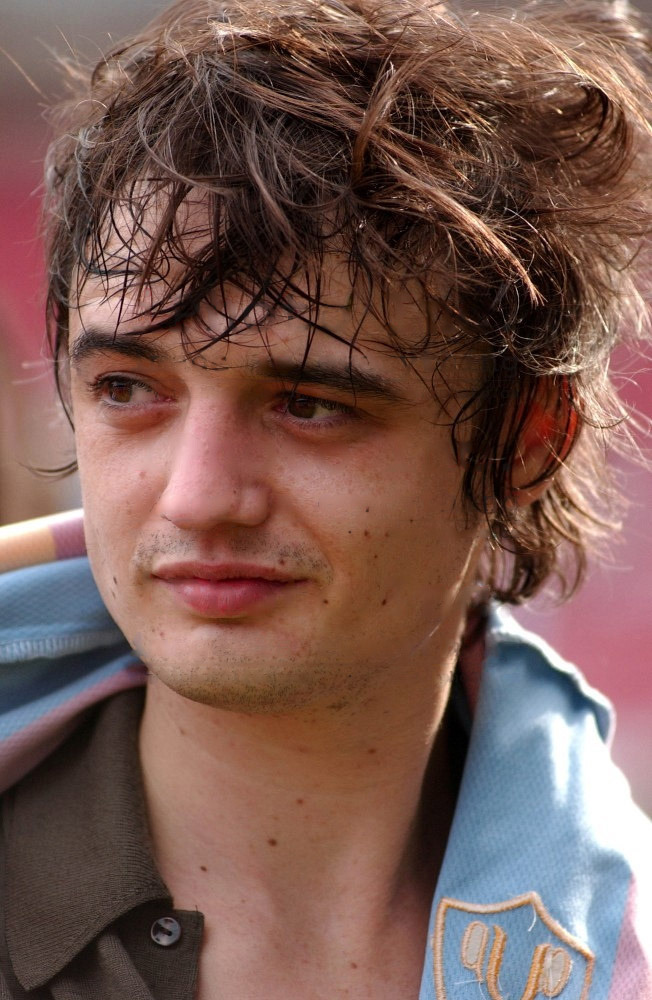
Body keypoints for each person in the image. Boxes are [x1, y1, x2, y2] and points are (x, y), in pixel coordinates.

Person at [0, 0, 651, 996]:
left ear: (528, 441)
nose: (198, 497)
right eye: (128, 390)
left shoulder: (621, 950)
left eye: (308, 405)